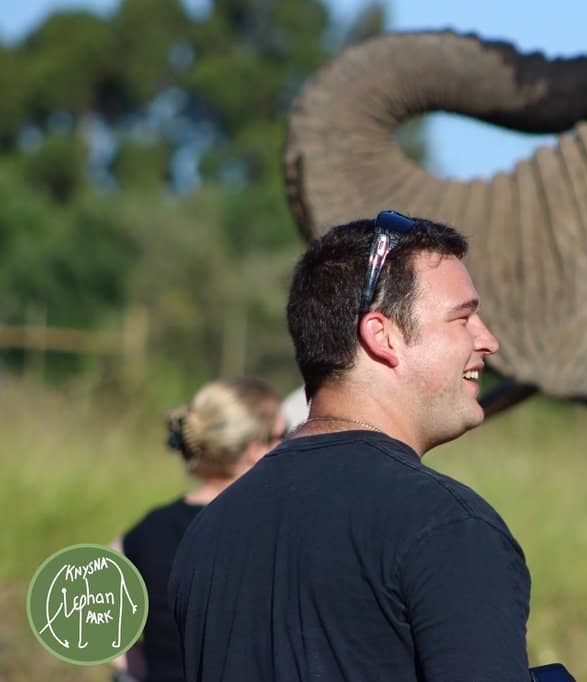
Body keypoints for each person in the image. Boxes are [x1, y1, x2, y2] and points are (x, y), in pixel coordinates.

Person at [169, 211, 531, 681]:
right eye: (462, 317)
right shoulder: (447, 528)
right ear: (383, 336)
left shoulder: (208, 532)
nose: (489, 341)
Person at [112, 378, 285, 682]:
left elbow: (107, 640)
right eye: (284, 434)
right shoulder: (273, 531)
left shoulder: (147, 529)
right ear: (256, 451)